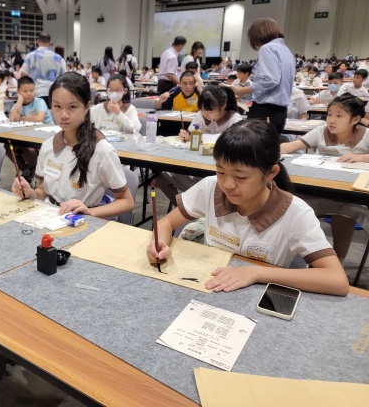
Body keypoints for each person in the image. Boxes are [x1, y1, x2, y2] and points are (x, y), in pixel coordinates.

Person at [0, 72, 134, 407]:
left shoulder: (101, 150)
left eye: (72, 107)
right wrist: (29, 191)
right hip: (44, 223)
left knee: (41, 289)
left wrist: (89, 211)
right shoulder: (48, 145)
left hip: (79, 232)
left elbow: (126, 201)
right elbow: (43, 191)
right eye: (57, 107)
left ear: (87, 106)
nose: (63, 114)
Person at [148, 119, 349, 296]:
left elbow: (337, 280)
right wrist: (159, 244)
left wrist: (256, 272)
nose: (228, 185)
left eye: (240, 177)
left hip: (257, 297)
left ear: (271, 173)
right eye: (221, 172)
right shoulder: (211, 188)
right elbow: (166, 223)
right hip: (209, 285)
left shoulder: (295, 213)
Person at [281, 94, 369, 261]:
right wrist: (269, 150)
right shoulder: (322, 131)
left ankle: (337, 260)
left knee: (344, 211)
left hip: (352, 195)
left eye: (339, 116)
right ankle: (293, 256)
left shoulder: (365, 135)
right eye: (329, 114)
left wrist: (361, 157)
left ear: (356, 119)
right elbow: (293, 146)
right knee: (289, 202)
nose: (331, 120)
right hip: (320, 189)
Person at [231, 18, 294, 134]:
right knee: (271, 143)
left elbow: (270, 80)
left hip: (265, 110)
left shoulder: (267, 48)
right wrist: (246, 96)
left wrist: (244, 90)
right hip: (280, 110)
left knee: (255, 142)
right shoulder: (285, 50)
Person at [7, 76, 53, 180]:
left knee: (29, 150)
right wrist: (20, 100)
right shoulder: (18, 105)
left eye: (32, 90)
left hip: (45, 136)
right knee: (8, 147)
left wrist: (22, 118)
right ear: (18, 91)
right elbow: (12, 119)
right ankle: (27, 171)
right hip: (27, 136)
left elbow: (39, 118)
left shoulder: (39, 101)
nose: (29, 94)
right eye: (25, 91)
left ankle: (34, 171)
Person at [178, 86, 243, 142]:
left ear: (223, 106)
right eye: (202, 110)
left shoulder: (235, 119)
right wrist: (185, 136)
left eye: (209, 111)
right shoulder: (200, 115)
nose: (205, 114)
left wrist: (202, 138)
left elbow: (236, 141)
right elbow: (191, 134)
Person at [20, 32, 66, 101]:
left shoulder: (30, 56)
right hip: (53, 94)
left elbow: (23, 74)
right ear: (50, 43)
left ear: (37, 41)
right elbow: (65, 76)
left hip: (35, 93)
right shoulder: (58, 58)